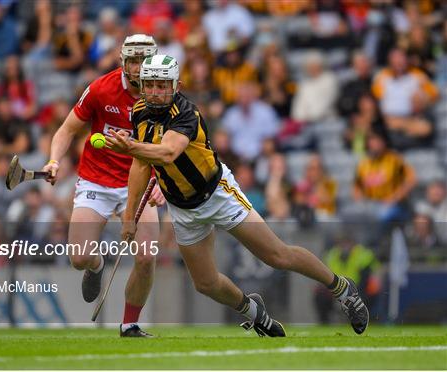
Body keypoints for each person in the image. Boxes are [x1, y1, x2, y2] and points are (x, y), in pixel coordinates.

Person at [105, 54, 369, 337]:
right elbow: (141, 164)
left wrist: (130, 147)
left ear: (177, 85)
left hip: (217, 193)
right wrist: (129, 216)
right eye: (151, 84)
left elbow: (167, 153)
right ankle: (254, 312)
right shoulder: (140, 111)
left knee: (277, 255)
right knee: (205, 283)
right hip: (181, 207)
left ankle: (343, 289)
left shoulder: (185, 113)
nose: (156, 92)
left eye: (163, 85)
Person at [42, 34, 164, 337]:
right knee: (79, 257)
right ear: (123, 62)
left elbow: (176, 146)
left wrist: (164, 181)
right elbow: (67, 129)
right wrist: (54, 160)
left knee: (147, 255)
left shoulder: (163, 95)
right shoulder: (100, 89)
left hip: (140, 181)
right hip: (96, 178)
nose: (138, 68)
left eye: (143, 60)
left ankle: (130, 324)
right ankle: (96, 267)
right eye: (133, 60)